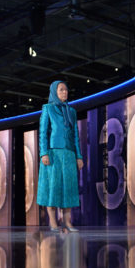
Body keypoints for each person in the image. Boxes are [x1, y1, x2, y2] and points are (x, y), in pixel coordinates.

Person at [37, 81, 84, 232]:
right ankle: (53, 222)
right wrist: (43, 152)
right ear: (54, 92)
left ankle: (68, 222)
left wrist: (79, 156)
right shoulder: (48, 109)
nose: (65, 92)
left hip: (69, 154)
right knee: (53, 188)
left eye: (66, 90)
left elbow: (76, 135)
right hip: (53, 153)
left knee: (68, 188)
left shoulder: (71, 111)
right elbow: (43, 132)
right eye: (61, 90)